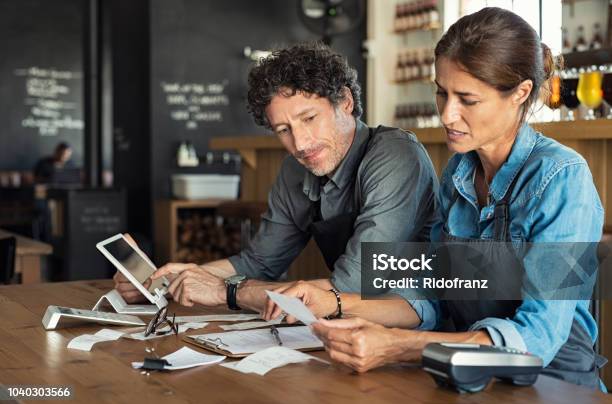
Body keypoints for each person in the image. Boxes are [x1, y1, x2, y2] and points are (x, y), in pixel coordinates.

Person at [271, 8, 606, 390]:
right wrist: (333, 302)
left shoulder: (563, 179)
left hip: (554, 386)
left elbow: (538, 339)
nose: (447, 114)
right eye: (441, 92)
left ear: (520, 93)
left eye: (467, 99)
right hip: (468, 377)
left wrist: (399, 346)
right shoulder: (458, 174)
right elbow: (432, 298)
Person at [114, 42, 439, 325]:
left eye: (309, 119)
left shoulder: (396, 156)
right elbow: (260, 262)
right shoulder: (295, 170)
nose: (300, 143)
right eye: (283, 129)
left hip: (416, 328)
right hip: (346, 328)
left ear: (345, 102)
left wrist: (225, 291)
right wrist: (171, 281)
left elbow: (352, 284)